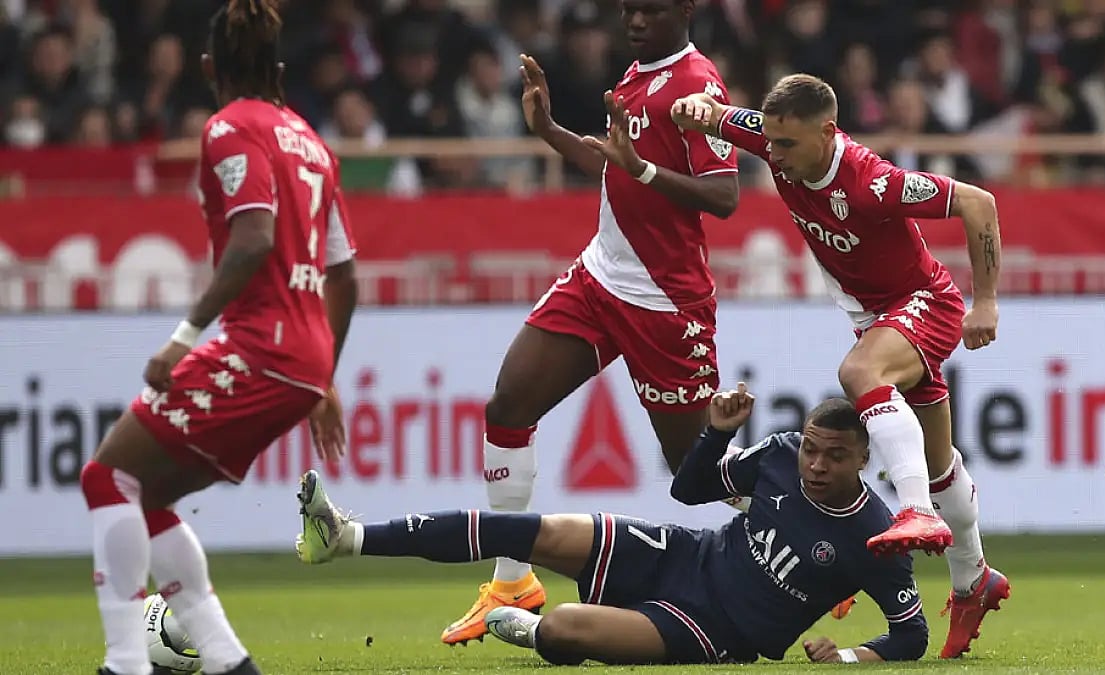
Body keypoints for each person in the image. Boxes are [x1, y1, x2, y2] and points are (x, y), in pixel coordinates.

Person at [669, 74, 1009, 658]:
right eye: (770, 143)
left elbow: (979, 202)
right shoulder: (774, 141)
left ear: (827, 133)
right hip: (876, 317)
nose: (773, 156)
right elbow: (719, 116)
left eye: (787, 146)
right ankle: (973, 580)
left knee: (859, 376)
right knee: (936, 461)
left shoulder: (872, 181)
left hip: (922, 305)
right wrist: (696, 107)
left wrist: (985, 301)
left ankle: (916, 513)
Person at [449, 0, 743, 645]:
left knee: (693, 474)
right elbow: (615, 165)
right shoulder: (637, 75)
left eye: (650, 10)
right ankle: (511, 578)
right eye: (628, 10)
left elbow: (724, 196)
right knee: (508, 404)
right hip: (599, 278)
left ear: (685, 10)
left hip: (665, 302)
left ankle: (803, 533)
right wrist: (551, 131)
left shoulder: (699, 85)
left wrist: (639, 167)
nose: (635, 21)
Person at [80, 2, 358, 674]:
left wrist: (183, 337)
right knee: (145, 492)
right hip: (303, 355)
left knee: (105, 475)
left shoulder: (229, 128)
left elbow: (253, 236)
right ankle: (230, 661)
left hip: (259, 345)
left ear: (208, 68)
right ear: (281, 70)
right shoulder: (310, 141)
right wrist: (324, 378)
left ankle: (124, 663)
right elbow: (346, 276)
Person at [295, 385, 928, 665]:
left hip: (713, 630)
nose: (816, 465)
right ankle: (346, 537)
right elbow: (689, 491)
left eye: (835, 456)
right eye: (813, 449)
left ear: (866, 458)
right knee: (530, 531)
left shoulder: (876, 532)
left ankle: (546, 637)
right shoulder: (780, 455)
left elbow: (912, 634)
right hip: (682, 554)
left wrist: (846, 654)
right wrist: (716, 433)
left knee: (566, 627)